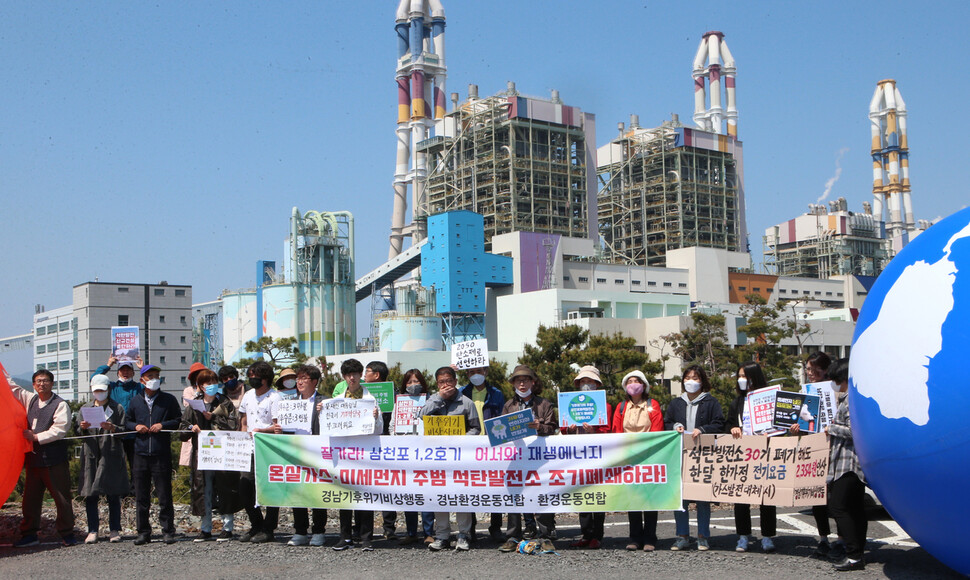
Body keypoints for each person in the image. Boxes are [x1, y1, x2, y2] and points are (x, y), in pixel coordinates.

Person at [11, 369, 76, 547]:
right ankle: (30, 534)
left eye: (45, 381)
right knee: (30, 499)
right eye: (38, 381)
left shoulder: (60, 404)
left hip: (54, 460)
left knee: (61, 498)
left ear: (52, 383)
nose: (42, 384)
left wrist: (36, 437)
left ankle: (67, 533)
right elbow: (13, 388)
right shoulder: (30, 399)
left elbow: (60, 429)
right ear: (33, 384)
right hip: (33, 460)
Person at [421, 366, 482, 552]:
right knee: (440, 495)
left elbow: (475, 427)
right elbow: (421, 415)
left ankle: (464, 534)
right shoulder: (433, 399)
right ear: (437, 383)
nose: (445, 385)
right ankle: (442, 535)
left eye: (448, 381)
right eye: (441, 382)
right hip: (438, 458)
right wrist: (439, 398)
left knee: (461, 495)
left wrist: (462, 441)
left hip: (459, 458)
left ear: (456, 382)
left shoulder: (466, 402)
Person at [498, 364, 558, 554]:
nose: (522, 383)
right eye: (517, 380)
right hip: (516, 457)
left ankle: (545, 535)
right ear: (514, 383)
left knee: (542, 494)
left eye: (525, 379)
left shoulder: (544, 404)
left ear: (533, 382)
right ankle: (513, 536)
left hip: (540, 459)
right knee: (515, 495)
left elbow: (553, 428)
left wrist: (540, 427)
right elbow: (500, 431)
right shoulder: (508, 405)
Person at [665, 365, 724, 551]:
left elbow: (719, 423)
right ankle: (682, 536)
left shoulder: (711, 402)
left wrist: (704, 429)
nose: (691, 381)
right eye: (688, 377)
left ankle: (703, 536)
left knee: (702, 497)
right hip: (680, 455)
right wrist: (675, 426)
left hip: (703, 455)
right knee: (680, 496)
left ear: (702, 381)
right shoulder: (676, 403)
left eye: (696, 378)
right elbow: (666, 422)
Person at [179, 368, 242, 542]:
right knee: (203, 489)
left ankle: (227, 527)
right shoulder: (193, 404)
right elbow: (182, 430)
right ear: (200, 386)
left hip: (222, 453)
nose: (211, 386)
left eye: (214, 382)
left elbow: (233, 425)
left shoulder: (225, 402)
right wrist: (191, 428)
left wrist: (213, 418)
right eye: (207, 383)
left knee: (225, 488)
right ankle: (205, 528)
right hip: (201, 453)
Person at [125, 364, 182, 545]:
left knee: (164, 494)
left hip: (161, 452)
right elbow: (126, 421)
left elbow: (178, 420)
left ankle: (168, 531)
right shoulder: (135, 401)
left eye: (157, 376)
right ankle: (143, 532)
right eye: (150, 376)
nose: (154, 379)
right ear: (142, 380)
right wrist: (135, 427)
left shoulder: (169, 399)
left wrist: (163, 425)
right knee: (141, 496)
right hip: (140, 453)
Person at [332, 358, 383, 552]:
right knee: (344, 496)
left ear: (360, 375)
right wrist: (322, 412)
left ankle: (366, 537)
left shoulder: (370, 399)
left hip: (364, 453)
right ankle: (345, 537)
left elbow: (379, 430)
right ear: (344, 377)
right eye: (348, 374)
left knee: (365, 495)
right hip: (344, 454)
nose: (352, 378)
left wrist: (376, 418)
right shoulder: (336, 401)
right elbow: (329, 427)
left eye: (355, 374)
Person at [727, 361, 778, 553]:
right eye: (739, 376)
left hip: (765, 453)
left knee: (767, 496)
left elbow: (779, 424)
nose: (741, 380)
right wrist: (733, 428)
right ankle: (743, 536)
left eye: (745, 376)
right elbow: (729, 424)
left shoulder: (769, 398)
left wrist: (772, 433)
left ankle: (767, 536)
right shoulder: (737, 402)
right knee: (741, 496)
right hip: (743, 455)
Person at [613, 369, 664, 552]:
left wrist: (646, 450)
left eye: (637, 381)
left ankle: (650, 537)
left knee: (650, 498)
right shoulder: (621, 407)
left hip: (649, 457)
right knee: (633, 499)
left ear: (644, 385)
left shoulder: (653, 405)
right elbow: (617, 431)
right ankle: (635, 537)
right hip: (628, 458)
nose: (633, 384)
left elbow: (657, 430)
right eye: (629, 382)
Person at [825, 358, 868, 572]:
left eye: (835, 379)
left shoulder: (850, 399)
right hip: (853, 463)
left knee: (839, 506)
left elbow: (854, 431)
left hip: (848, 462)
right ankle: (858, 551)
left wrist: (831, 429)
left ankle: (853, 555)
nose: (834, 383)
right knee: (855, 508)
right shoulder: (854, 397)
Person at [77, 374, 128, 544]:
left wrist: (112, 427)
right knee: (91, 493)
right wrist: (82, 427)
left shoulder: (117, 408)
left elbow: (124, 431)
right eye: (96, 390)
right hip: (91, 453)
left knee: (113, 493)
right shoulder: (85, 408)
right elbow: (78, 433)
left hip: (111, 454)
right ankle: (93, 530)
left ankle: (114, 529)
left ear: (108, 390)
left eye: (102, 390)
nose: (99, 393)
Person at [564, 365, 611, 550]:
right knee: (581, 493)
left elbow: (609, 430)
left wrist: (595, 429)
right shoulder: (571, 402)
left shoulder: (605, 405)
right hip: (577, 454)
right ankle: (586, 533)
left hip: (599, 455)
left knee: (598, 493)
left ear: (597, 384)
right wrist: (569, 429)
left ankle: (597, 535)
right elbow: (563, 427)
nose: (585, 385)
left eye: (589, 381)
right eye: (582, 381)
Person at [284, 363, 330, 547]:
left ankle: (319, 531)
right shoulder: (291, 403)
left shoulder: (324, 401)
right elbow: (286, 429)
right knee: (298, 492)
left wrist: (324, 413)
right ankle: (300, 531)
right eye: (298, 379)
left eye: (304, 379)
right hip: (296, 452)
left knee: (318, 492)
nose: (299, 382)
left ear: (314, 381)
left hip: (317, 453)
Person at [237, 360, 283, 543]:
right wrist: (242, 436)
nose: (252, 379)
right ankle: (255, 523)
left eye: (255, 376)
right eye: (250, 376)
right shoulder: (248, 395)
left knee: (270, 487)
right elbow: (243, 420)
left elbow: (279, 425)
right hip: (248, 447)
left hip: (268, 448)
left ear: (265, 378)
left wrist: (262, 431)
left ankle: (268, 528)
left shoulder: (275, 397)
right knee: (245, 486)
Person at [460, 364, 506, 543]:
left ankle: (495, 527)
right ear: (466, 374)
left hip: (491, 445)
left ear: (485, 372)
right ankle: (470, 528)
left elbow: (501, 417)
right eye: (471, 372)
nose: (475, 375)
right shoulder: (462, 392)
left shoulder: (497, 393)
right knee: (469, 485)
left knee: (495, 486)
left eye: (479, 371)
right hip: (469, 444)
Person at [390, 368, 436, 545]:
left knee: (425, 493)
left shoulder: (430, 401)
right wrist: (397, 442)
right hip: (405, 453)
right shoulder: (399, 402)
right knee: (409, 494)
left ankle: (428, 532)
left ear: (423, 383)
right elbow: (393, 425)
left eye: (416, 382)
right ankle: (410, 532)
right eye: (409, 382)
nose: (413, 385)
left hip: (425, 453)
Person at [804, 351, 837, 559]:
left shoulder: (835, 389)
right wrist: (797, 428)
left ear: (825, 370)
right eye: (807, 369)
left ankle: (843, 539)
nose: (810, 373)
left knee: (838, 500)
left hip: (836, 450)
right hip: (815, 449)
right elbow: (806, 421)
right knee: (818, 499)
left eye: (814, 369)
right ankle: (823, 539)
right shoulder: (808, 391)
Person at [364, 360, 398, 541]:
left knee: (387, 487)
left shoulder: (394, 395)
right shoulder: (360, 394)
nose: (364, 376)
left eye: (367, 372)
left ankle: (389, 528)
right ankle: (363, 528)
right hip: (366, 444)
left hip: (387, 444)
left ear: (376, 375)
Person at [106, 356, 144, 488]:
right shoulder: (112, 387)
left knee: (136, 465)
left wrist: (142, 368)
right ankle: (119, 493)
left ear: (133, 372)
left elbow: (152, 385)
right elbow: (94, 380)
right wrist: (108, 365)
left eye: (129, 370)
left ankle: (134, 493)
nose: (126, 373)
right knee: (117, 465)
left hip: (135, 433)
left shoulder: (139, 387)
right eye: (122, 370)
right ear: (117, 373)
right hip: (115, 431)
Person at [179, 362, 209, 467]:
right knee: (193, 460)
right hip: (193, 427)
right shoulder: (188, 390)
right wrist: (198, 391)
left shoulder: (209, 389)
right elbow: (188, 403)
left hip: (206, 427)